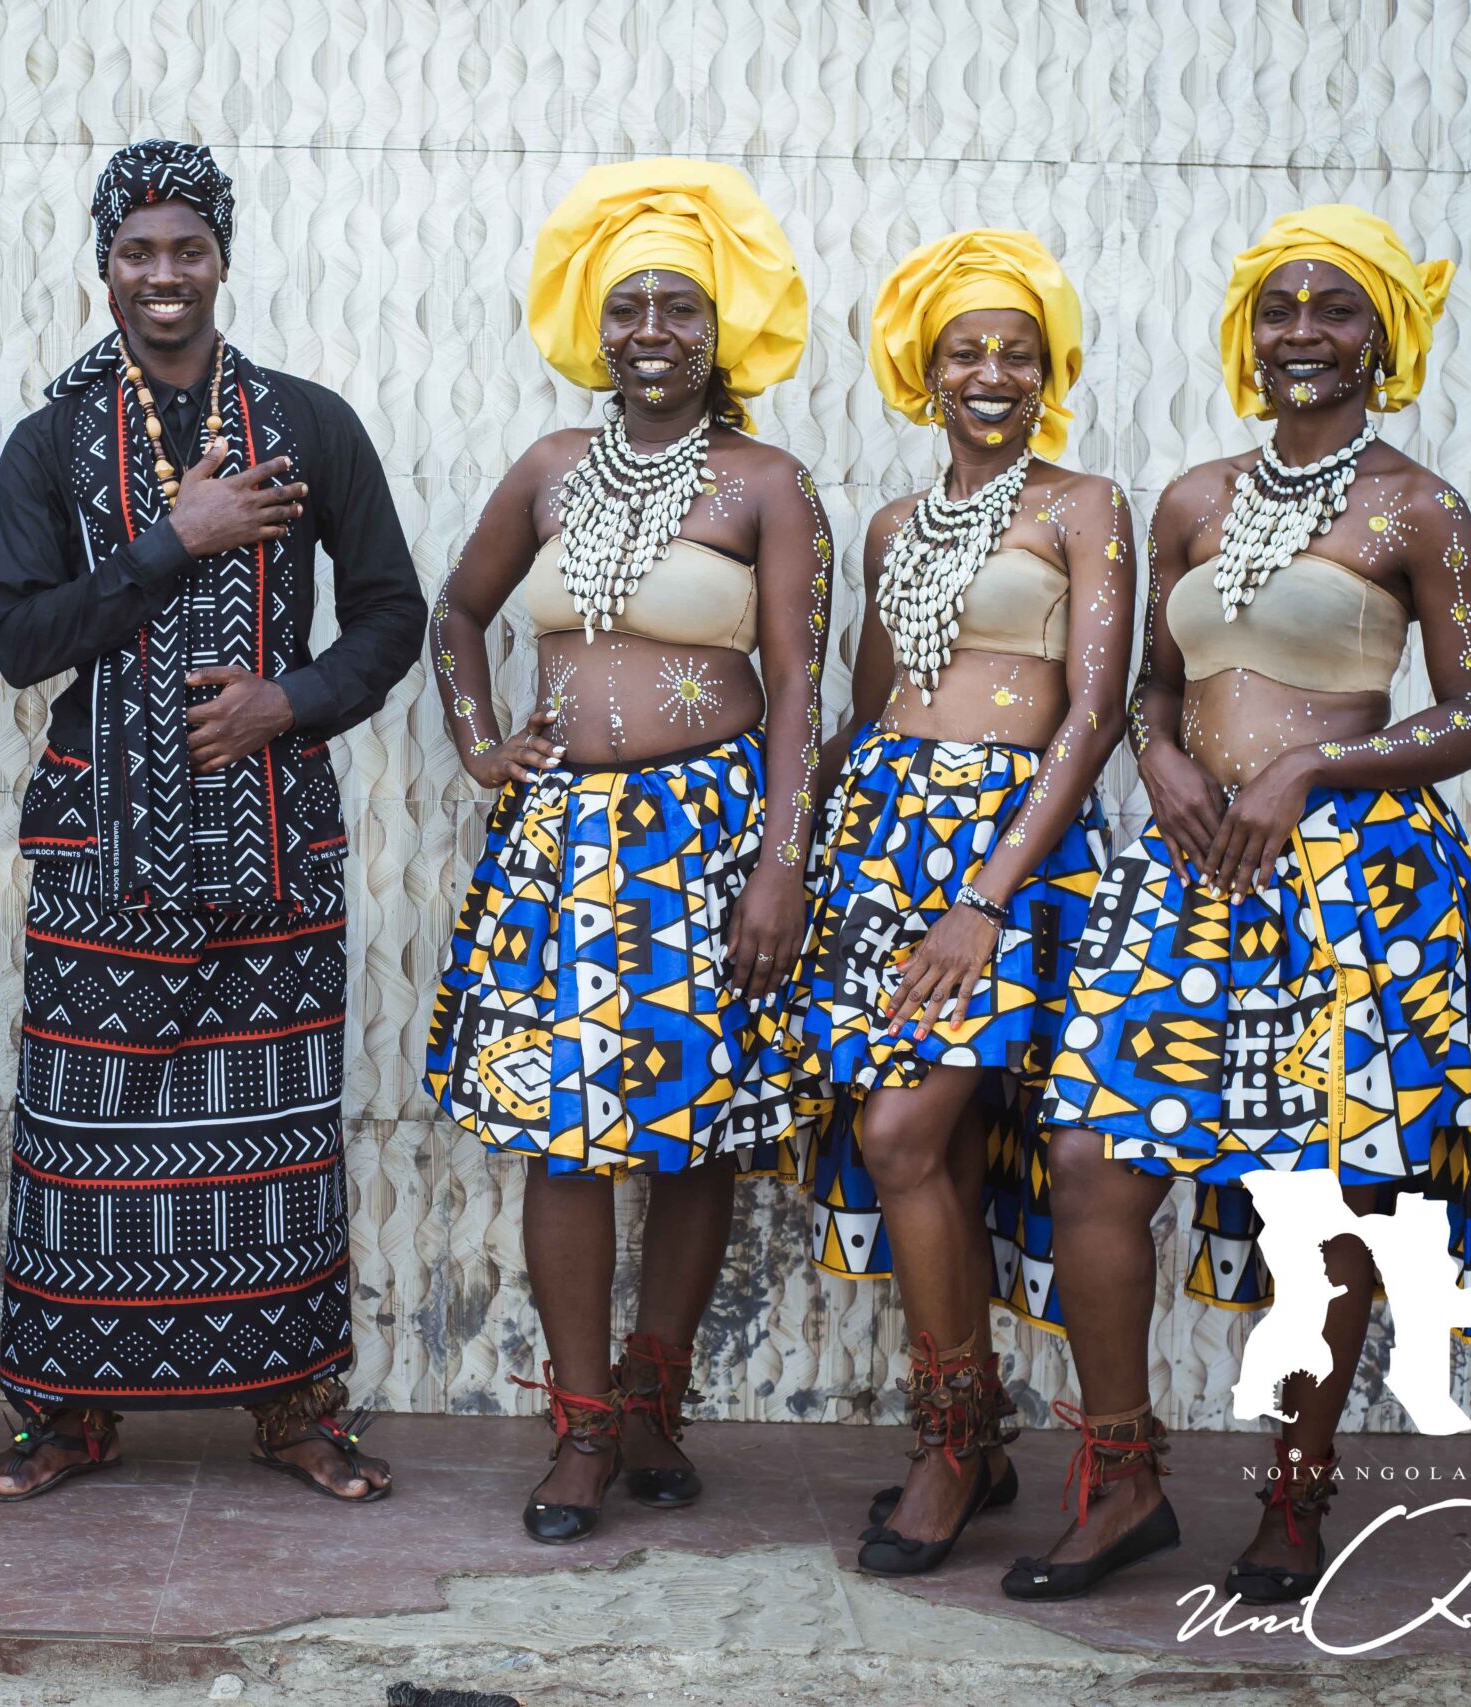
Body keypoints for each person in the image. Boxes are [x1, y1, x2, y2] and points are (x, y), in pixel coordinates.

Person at [1008, 206, 1471, 1601]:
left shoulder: (1419, 508)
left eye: (1335, 309)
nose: (1303, 331)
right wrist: (1163, 759)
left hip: (1353, 881)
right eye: (1280, 308)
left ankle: (1296, 1493)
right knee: (1092, 1159)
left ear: (1381, 338)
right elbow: (1153, 686)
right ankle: (1123, 1483)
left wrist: (1312, 766)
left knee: (1325, 1193)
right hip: (1188, 871)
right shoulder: (1195, 498)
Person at [0, 140, 423, 1505]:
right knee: (83, 1139)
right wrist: (176, 539)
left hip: (271, 841)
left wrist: (291, 701)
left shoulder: (310, 425)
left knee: (274, 1139)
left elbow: (393, 611)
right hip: (100, 850)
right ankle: (69, 1414)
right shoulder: (50, 442)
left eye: (188, 248)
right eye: (138, 251)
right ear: (104, 266)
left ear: (223, 259)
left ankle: (293, 1410)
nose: (163, 273)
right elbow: (19, 641)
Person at [425, 159, 830, 1544]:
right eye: (628, 307)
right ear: (595, 328)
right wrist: (482, 744)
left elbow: (799, 689)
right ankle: (583, 1427)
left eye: (680, 307)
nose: (652, 330)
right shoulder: (549, 468)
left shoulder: (768, 482)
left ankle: (656, 1405)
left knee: (692, 1134)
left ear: (723, 331)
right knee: (566, 1135)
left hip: (707, 841)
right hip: (560, 845)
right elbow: (456, 613)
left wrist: (782, 866)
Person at [790, 230, 1134, 1576]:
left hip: (1013, 853)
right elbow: (872, 702)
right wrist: (781, 837)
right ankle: (965, 1441)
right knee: (902, 1145)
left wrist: (985, 899)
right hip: (886, 850)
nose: (990, 372)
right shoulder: (892, 526)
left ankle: (966, 1444)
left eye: (1016, 352)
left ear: (1050, 371)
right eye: (964, 351)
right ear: (922, 372)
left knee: (906, 1127)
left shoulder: (1086, 505)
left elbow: (1095, 712)